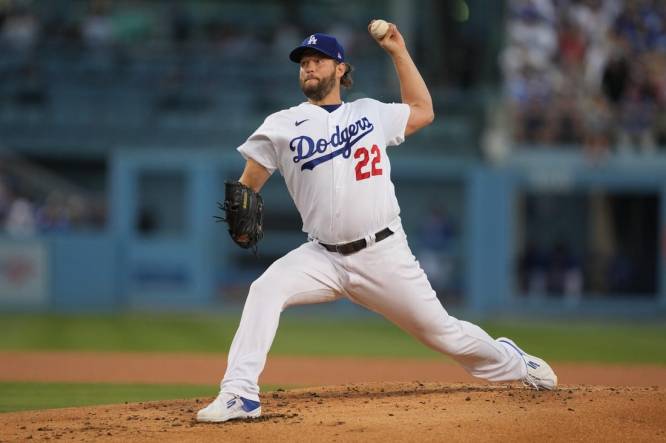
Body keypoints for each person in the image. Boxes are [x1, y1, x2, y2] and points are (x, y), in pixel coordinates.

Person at [197, 22, 557, 423]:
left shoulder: (369, 112)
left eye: (318, 60)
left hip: (383, 253)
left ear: (340, 69)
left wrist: (398, 51)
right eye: (303, 62)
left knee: (443, 333)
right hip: (322, 257)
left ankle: (512, 361)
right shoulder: (282, 124)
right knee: (265, 289)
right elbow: (249, 184)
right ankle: (240, 394)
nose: (309, 67)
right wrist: (243, 211)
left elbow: (423, 111)